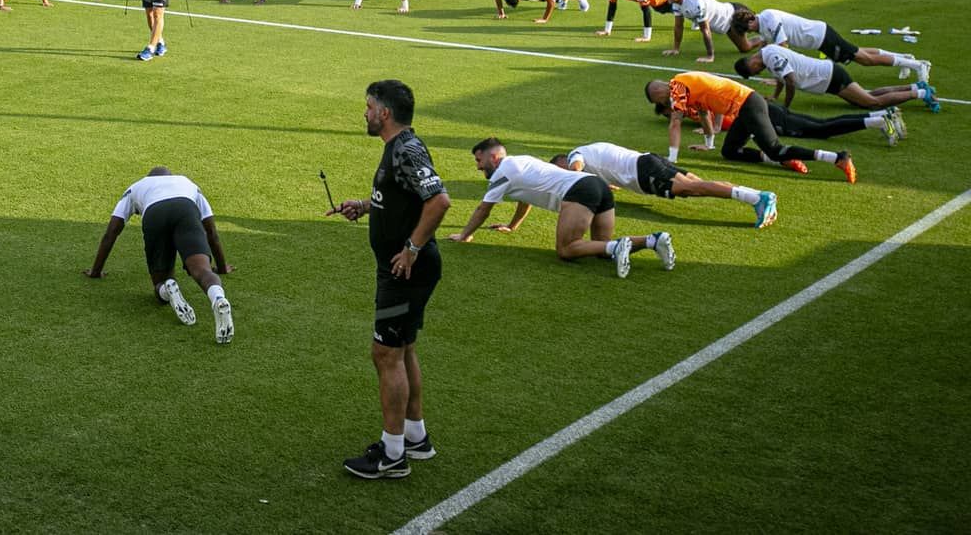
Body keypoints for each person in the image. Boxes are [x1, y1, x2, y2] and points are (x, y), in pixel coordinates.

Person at [328, 79, 450, 480]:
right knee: (404, 348)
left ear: (384, 113)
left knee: (386, 354)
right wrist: (365, 206)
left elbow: (439, 201)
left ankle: (392, 454)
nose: (364, 113)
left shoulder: (406, 150)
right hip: (403, 270)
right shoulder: (400, 148)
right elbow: (406, 197)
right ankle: (415, 437)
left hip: (404, 273)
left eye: (368, 107)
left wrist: (411, 249)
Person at [447, 139, 675, 278]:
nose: (478, 167)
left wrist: (465, 235)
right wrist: (512, 226)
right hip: (596, 184)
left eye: (479, 161)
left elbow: (483, 209)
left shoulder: (502, 172)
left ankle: (618, 247)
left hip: (580, 190)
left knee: (566, 250)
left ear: (494, 158)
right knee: (601, 249)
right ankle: (653, 240)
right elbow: (524, 197)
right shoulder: (521, 161)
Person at [82, 167, 234, 345]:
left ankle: (167, 288)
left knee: (159, 283)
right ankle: (218, 297)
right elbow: (211, 232)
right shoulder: (186, 182)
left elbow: (112, 232)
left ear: (148, 177)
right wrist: (222, 267)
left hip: (155, 214)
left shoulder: (136, 187)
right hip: (185, 209)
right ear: (170, 176)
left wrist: (96, 271)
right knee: (201, 270)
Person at [644, 73, 875, 182]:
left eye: (659, 102)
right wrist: (709, 144)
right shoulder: (684, 84)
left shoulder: (677, 87)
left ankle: (837, 157)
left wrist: (671, 158)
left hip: (749, 105)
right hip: (743, 107)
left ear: (658, 94)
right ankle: (784, 159)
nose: (663, 105)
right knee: (730, 151)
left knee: (775, 147)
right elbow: (705, 112)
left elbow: (675, 122)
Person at [555, 141, 776, 229]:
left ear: (561, 162)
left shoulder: (575, 155)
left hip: (643, 171)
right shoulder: (590, 152)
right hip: (647, 160)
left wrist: (571, 183)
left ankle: (758, 198)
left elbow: (575, 170)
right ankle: (754, 195)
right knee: (698, 185)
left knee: (694, 188)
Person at [726, 6, 931, 84]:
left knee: (863, 59)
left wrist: (781, 75)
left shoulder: (769, 18)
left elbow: (783, 47)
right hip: (820, 39)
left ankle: (918, 65)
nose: (750, 33)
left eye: (748, 29)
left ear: (750, 21)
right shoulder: (763, 25)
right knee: (858, 51)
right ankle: (906, 59)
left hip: (822, 37)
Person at [734, 46, 933, 115]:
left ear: (751, 62)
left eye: (754, 71)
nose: (758, 72)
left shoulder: (770, 58)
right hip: (827, 77)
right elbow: (781, 78)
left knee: (872, 102)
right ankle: (915, 86)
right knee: (867, 97)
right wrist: (775, 96)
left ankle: (923, 93)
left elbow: (790, 80)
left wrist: (786, 106)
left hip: (828, 77)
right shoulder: (768, 53)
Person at [662, 0, 746, 63]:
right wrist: (675, 49)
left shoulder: (695, 3)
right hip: (727, 26)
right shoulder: (676, 3)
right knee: (744, 48)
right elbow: (678, 26)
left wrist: (710, 56)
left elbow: (706, 30)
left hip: (734, 15)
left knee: (758, 29)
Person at [596, 0, 669, 41]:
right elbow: (612, 6)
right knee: (661, 9)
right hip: (655, 1)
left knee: (676, 12)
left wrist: (647, 37)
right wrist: (607, 30)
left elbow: (646, 10)